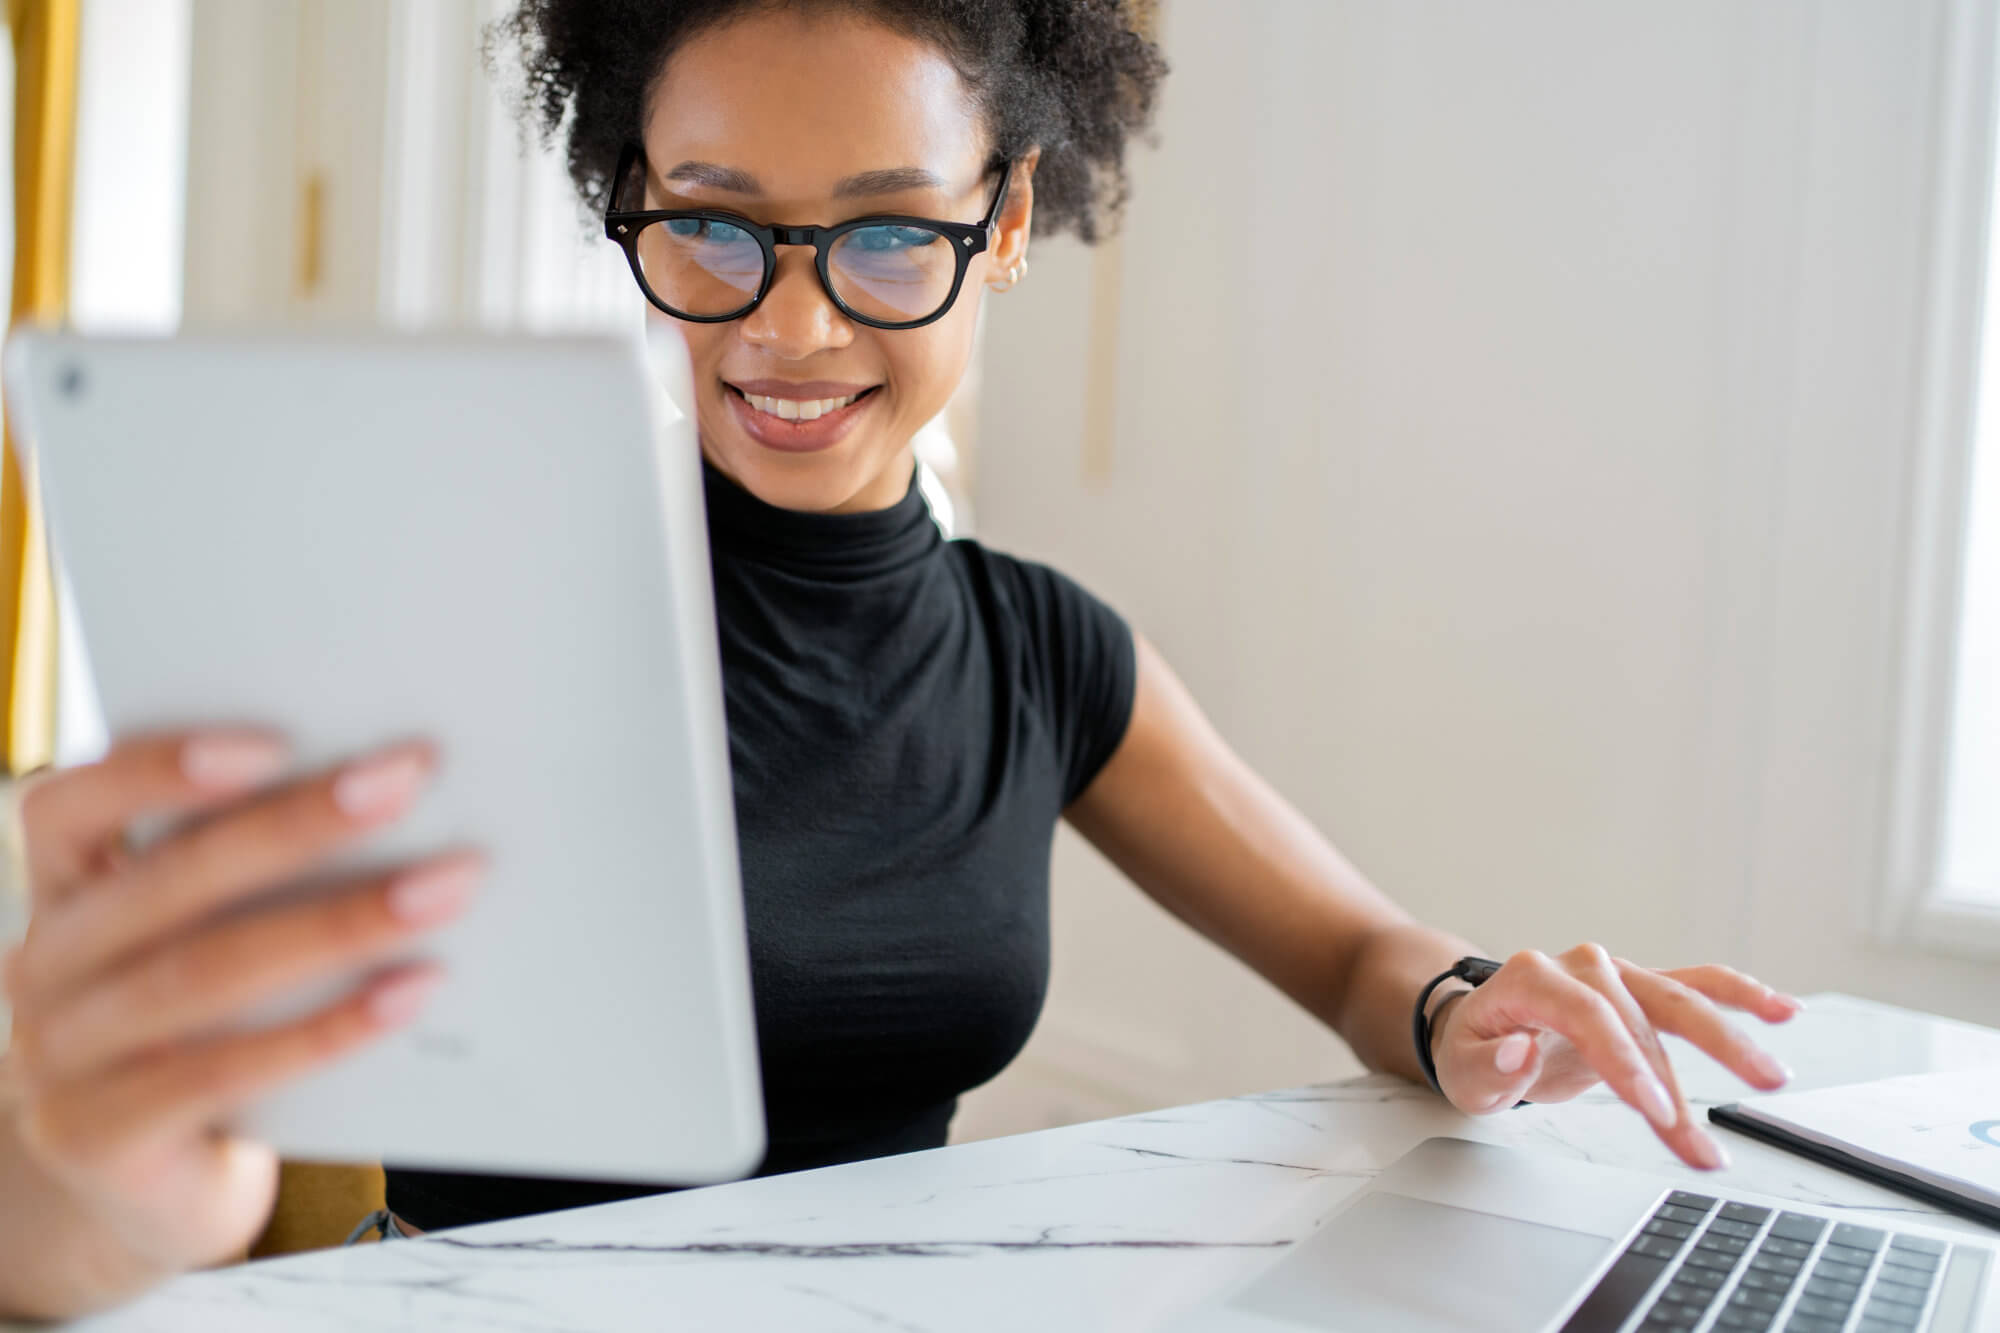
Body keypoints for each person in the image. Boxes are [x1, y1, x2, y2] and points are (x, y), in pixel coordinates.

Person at [0, 0, 1803, 1318]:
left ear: (1004, 220)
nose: (788, 322)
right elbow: (106, 1210)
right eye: (710, 219)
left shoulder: (1046, 650)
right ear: (632, 202)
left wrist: (1466, 1009)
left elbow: (1348, 949)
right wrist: (73, 1177)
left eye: (883, 232)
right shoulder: (450, 607)